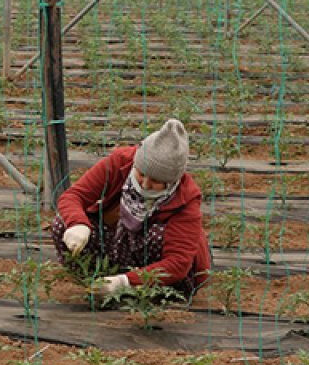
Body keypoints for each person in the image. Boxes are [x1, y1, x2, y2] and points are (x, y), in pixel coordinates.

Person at [51, 118, 211, 298]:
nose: (145, 183)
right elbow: (74, 196)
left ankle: (141, 290)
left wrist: (125, 282)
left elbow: (178, 263)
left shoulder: (186, 197)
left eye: (156, 181)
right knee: (61, 224)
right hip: (120, 243)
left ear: (173, 180)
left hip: (153, 261)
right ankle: (94, 282)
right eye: (141, 173)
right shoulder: (120, 162)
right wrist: (78, 224)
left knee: (159, 235)